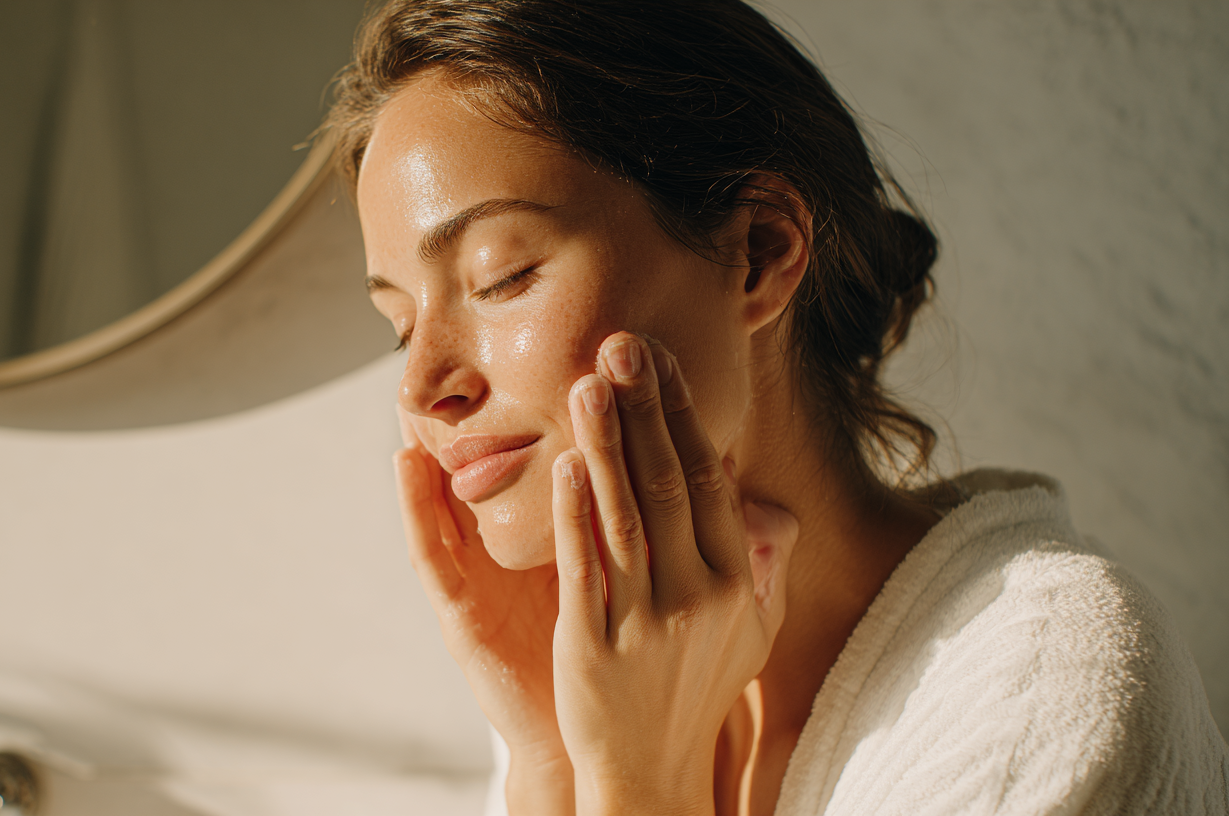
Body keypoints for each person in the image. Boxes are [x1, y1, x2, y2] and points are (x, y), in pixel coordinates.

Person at [323, 1, 1229, 813]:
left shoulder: (1045, 698)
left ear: (758, 250)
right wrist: (550, 766)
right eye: (399, 325)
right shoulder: (606, 667)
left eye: (501, 276)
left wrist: (642, 786)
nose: (421, 385)